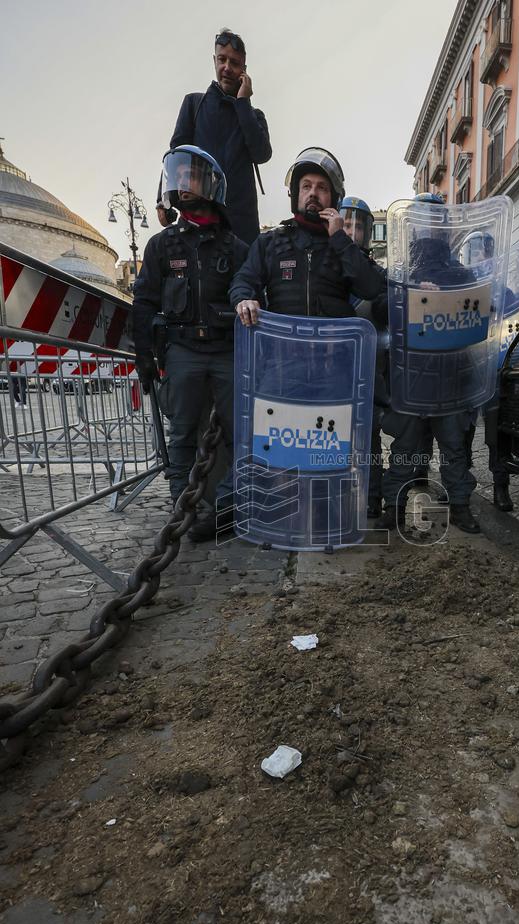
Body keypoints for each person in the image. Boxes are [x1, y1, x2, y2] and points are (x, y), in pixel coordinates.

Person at [132, 145, 248, 542]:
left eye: (192, 176)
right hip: (182, 351)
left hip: (226, 351)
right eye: (178, 176)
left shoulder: (235, 249)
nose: (183, 183)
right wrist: (143, 354)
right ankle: (187, 508)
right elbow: (144, 302)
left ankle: (230, 506)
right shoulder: (162, 246)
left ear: (211, 185)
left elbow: (249, 291)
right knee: (181, 434)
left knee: (241, 434)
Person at [378, 199, 481, 534]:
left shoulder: (460, 274)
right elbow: (387, 316)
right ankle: (394, 507)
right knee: (405, 449)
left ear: (444, 226)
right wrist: (409, 296)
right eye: (424, 220)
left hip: (448, 378)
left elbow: (474, 318)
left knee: (453, 448)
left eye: (436, 220)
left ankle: (461, 506)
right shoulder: (401, 275)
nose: (430, 226)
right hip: (412, 378)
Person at [231, 148, 384, 323]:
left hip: (334, 346)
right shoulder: (270, 242)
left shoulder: (344, 245)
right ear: (295, 194)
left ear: (333, 198)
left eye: (322, 188)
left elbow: (371, 288)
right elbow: (244, 279)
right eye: (306, 186)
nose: (313, 193)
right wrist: (243, 299)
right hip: (282, 344)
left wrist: (340, 239)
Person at [170, 28, 271, 247]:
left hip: (242, 227)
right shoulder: (193, 105)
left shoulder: (254, 116)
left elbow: (262, 154)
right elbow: (176, 157)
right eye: (222, 60)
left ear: (244, 70)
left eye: (234, 63)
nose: (227, 68)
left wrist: (243, 104)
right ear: (214, 61)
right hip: (200, 220)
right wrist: (164, 201)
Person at [340, 195, 388, 518]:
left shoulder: (375, 272)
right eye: (347, 223)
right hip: (335, 368)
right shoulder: (326, 265)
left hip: (367, 368)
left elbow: (384, 307)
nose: (353, 230)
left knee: (369, 439)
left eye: (359, 224)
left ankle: (373, 498)